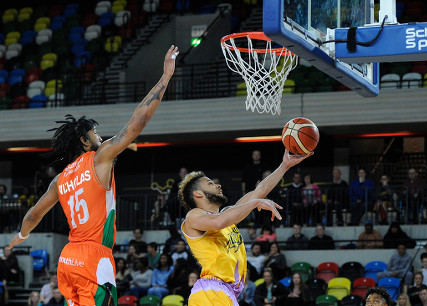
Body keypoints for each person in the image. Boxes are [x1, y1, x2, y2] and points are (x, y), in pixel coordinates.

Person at [8, 45, 179, 305]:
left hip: (67, 259)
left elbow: (33, 214)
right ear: (85, 142)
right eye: (95, 134)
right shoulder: (100, 157)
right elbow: (138, 122)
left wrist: (20, 237)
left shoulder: (60, 179)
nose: (100, 137)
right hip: (94, 258)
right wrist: (165, 78)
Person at [178, 149, 311, 305]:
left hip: (226, 293)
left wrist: (284, 166)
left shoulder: (228, 215)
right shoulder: (194, 216)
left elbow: (258, 191)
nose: (218, 186)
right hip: (211, 290)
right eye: (210, 184)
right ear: (198, 194)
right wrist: (255, 204)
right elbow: (218, 222)